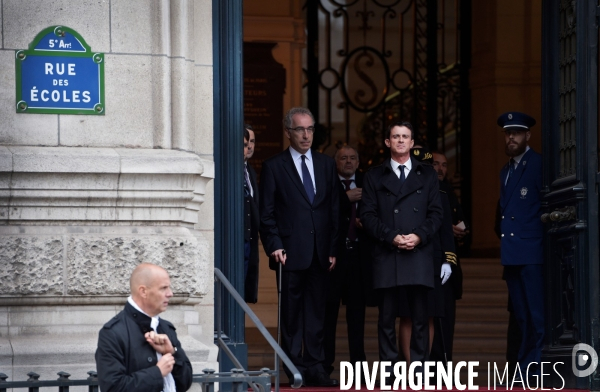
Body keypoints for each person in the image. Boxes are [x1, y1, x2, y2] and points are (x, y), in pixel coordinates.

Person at [259, 107, 340, 387]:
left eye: (310, 129)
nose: (306, 135)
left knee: (317, 314)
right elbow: (266, 213)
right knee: (291, 317)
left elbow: (333, 209)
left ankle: (317, 367)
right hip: (289, 254)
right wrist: (274, 245)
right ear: (288, 132)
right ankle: (294, 369)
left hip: (320, 253)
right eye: (300, 130)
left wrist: (332, 248)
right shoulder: (273, 166)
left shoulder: (327, 164)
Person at [360, 121, 443, 380]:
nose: (400, 141)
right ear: (387, 142)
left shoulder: (427, 174)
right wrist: (392, 237)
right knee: (386, 318)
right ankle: (389, 371)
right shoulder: (374, 175)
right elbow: (368, 215)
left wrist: (418, 236)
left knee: (420, 316)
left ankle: (418, 369)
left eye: (405, 137)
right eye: (395, 136)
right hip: (388, 253)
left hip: (419, 252)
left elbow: (436, 213)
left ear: (411, 141)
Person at [396, 146, 455, 367]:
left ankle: (424, 366)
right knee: (407, 315)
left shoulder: (439, 191)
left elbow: (445, 231)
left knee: (429, 313)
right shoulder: (397, 188)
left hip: (431, 258)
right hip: (404, 256)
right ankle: (411, 368)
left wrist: (448, 260)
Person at [496, 111, 544, 379]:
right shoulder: (506, 170)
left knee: (537, 316)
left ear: (527, 135)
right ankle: (526, 368)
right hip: (512, 254)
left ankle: (539, 368)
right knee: (522, 317)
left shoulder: (537, 164)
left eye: (516, 132)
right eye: (507, 132)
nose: (511, 137)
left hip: (531, 252)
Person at [95, 263, 193, 392]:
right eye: (163, 288)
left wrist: (172, 352)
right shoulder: (113, 333)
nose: (170, 294)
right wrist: (157, 373)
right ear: (143, 291)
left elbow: (185, 383)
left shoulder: (166, 328)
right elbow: (113, 388)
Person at [323, 146, 369, 376]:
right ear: (336, 162)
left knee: (357, 317)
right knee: (328, 315)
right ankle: (325, 366)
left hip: (359, 258)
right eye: (343, 158)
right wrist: (345, 198)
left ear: (359, 162)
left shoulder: (368, 182)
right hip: (334, 258)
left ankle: (358, 370)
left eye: (352, 158)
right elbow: (321, 212)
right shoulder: (328, 182)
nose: (348, 162)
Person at [429, 151, 466, 363]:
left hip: (449, 264)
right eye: (436, 164)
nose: (440, 169)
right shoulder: (424, 190)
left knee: (446, 322)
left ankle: (443, 368)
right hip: (429, 263)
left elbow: (461, 221)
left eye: (444, 165)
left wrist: (460, 230)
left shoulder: (449, 192)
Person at [244, 126, 260, 303]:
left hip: (250, 240)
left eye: (253, 142)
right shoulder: (232, 172)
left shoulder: (250, 171)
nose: (249, 147)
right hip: (236, 244)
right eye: (246, 143)